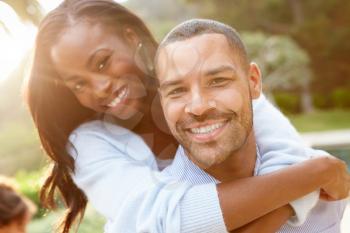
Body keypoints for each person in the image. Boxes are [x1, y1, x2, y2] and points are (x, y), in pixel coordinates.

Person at [25, 0, 350, 232]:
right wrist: (317, 173)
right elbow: (166, 222)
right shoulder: (90, 143)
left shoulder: (208, 83)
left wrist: (303, 180)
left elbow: (288, 158)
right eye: (78, 83)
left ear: (130, 37)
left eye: (102, 63)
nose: (99, 88)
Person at [155, 19, 349, 232]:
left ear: (253, 82)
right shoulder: (148, 217)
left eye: (218, 81)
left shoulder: (324, 188)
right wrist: (300, 190)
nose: (199, 107)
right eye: (176, 90)